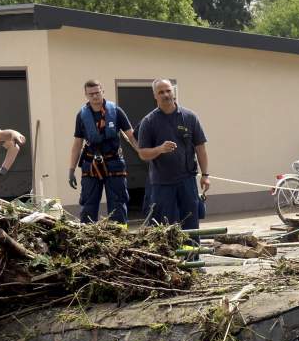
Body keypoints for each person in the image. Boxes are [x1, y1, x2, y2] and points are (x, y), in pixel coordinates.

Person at [135, 78, 208, 230]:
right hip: (162, 183)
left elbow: (200, 148)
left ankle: (192, 254)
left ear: (173, 92)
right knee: (165, 225)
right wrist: (159, 149)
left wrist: (205, 175)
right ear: (155, 96)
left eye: (168, 90)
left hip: (187, 180)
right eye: (161, 92)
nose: (165, 94)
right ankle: (167, 254)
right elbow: (143, 153)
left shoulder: (189, 117)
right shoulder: (148, 122)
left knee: (190, 223)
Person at [66, 79, 138, 223]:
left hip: (114, 163)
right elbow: (77, 144)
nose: (94, 96)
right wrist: (71, 169)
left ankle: (119, 238)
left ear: (102, 92)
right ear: (86, 95)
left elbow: (131, 136)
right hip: (91, 163)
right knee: (88, 204)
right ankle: (87, 238)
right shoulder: (82, 115)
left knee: (118, 203)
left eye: (97, 93)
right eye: (91, 94)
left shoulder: (116, 111)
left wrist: (144, 152)